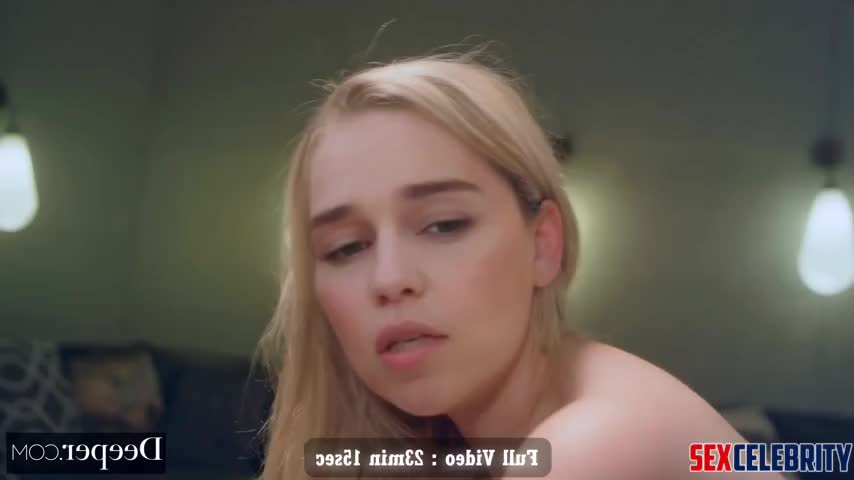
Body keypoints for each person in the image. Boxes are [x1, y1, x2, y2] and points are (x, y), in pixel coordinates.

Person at [255, 48, 784, 480]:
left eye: (444, 225)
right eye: (346, 248)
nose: (390, 279)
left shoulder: (592, 446)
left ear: (543, 245)